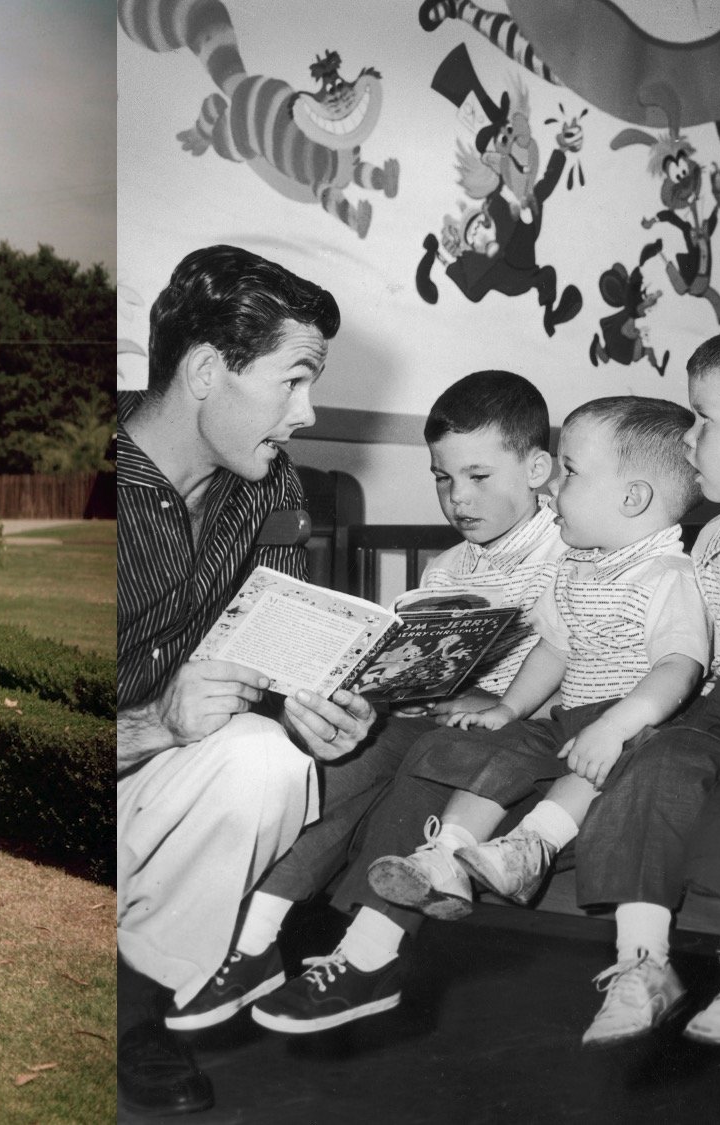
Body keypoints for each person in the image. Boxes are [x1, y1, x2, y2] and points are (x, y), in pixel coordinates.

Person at [257, 397, 708, 1038]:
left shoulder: (648, 565)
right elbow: (555, 648)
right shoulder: (578, 563)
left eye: (570, 474)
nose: (556, 491)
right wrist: (501, 705)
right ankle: (436, 860)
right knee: (420, 753)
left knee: (490, 759)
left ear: (630, 497)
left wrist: (606, 723)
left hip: (622, 721)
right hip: (554, 716)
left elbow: (676, 667)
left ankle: (514, 854)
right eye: (442, 478)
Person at [167, 370, 567, 1033]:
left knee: (433, 756)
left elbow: (588, 658)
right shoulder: (448, 568)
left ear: (536, 467)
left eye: (478, 476)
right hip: (437, 718)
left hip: (517, 731)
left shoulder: (574, 548)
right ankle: (252, 944)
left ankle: (371, 951)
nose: (456, 497)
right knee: (338, 763)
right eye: (442, 478)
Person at [117, 244, 372, 1117]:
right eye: (292, 381)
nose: (306, 413)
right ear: (203, 372)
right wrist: (152, 721)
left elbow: (280, 649)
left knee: (269, 759)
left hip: (153, 795)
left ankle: (133, 1008)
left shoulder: (269, 488)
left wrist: (315, 703)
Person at [579, 325, 720, 1045]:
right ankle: (642, 963)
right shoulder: (714, 534)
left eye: (706, 421)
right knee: (655, 761)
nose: (687, 438)